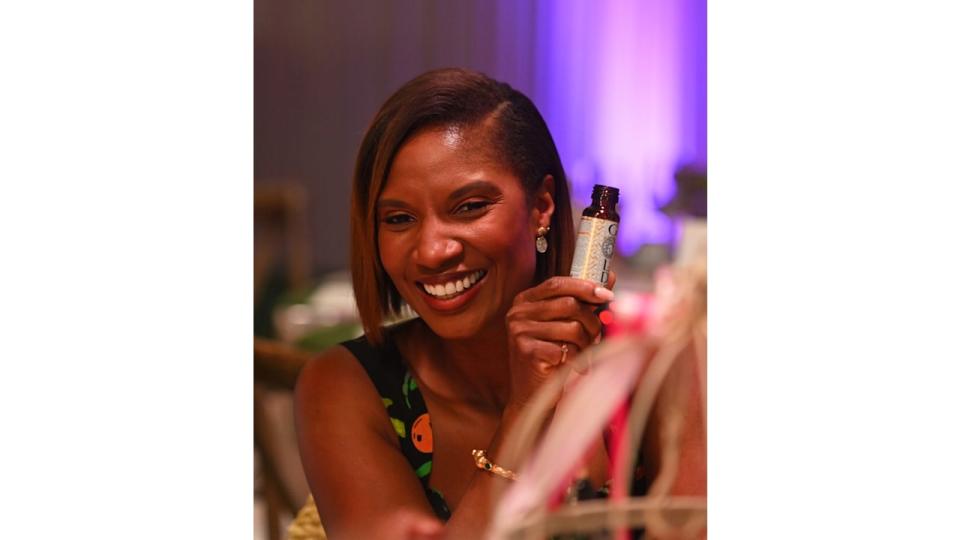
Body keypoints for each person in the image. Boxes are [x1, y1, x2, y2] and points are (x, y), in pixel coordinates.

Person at [294, 68, 616, 539]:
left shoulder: (648, 364)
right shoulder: (345, 387)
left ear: (542, 206)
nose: (431, 251)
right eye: (400, 218)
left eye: (468, 207)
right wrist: (525, 412)